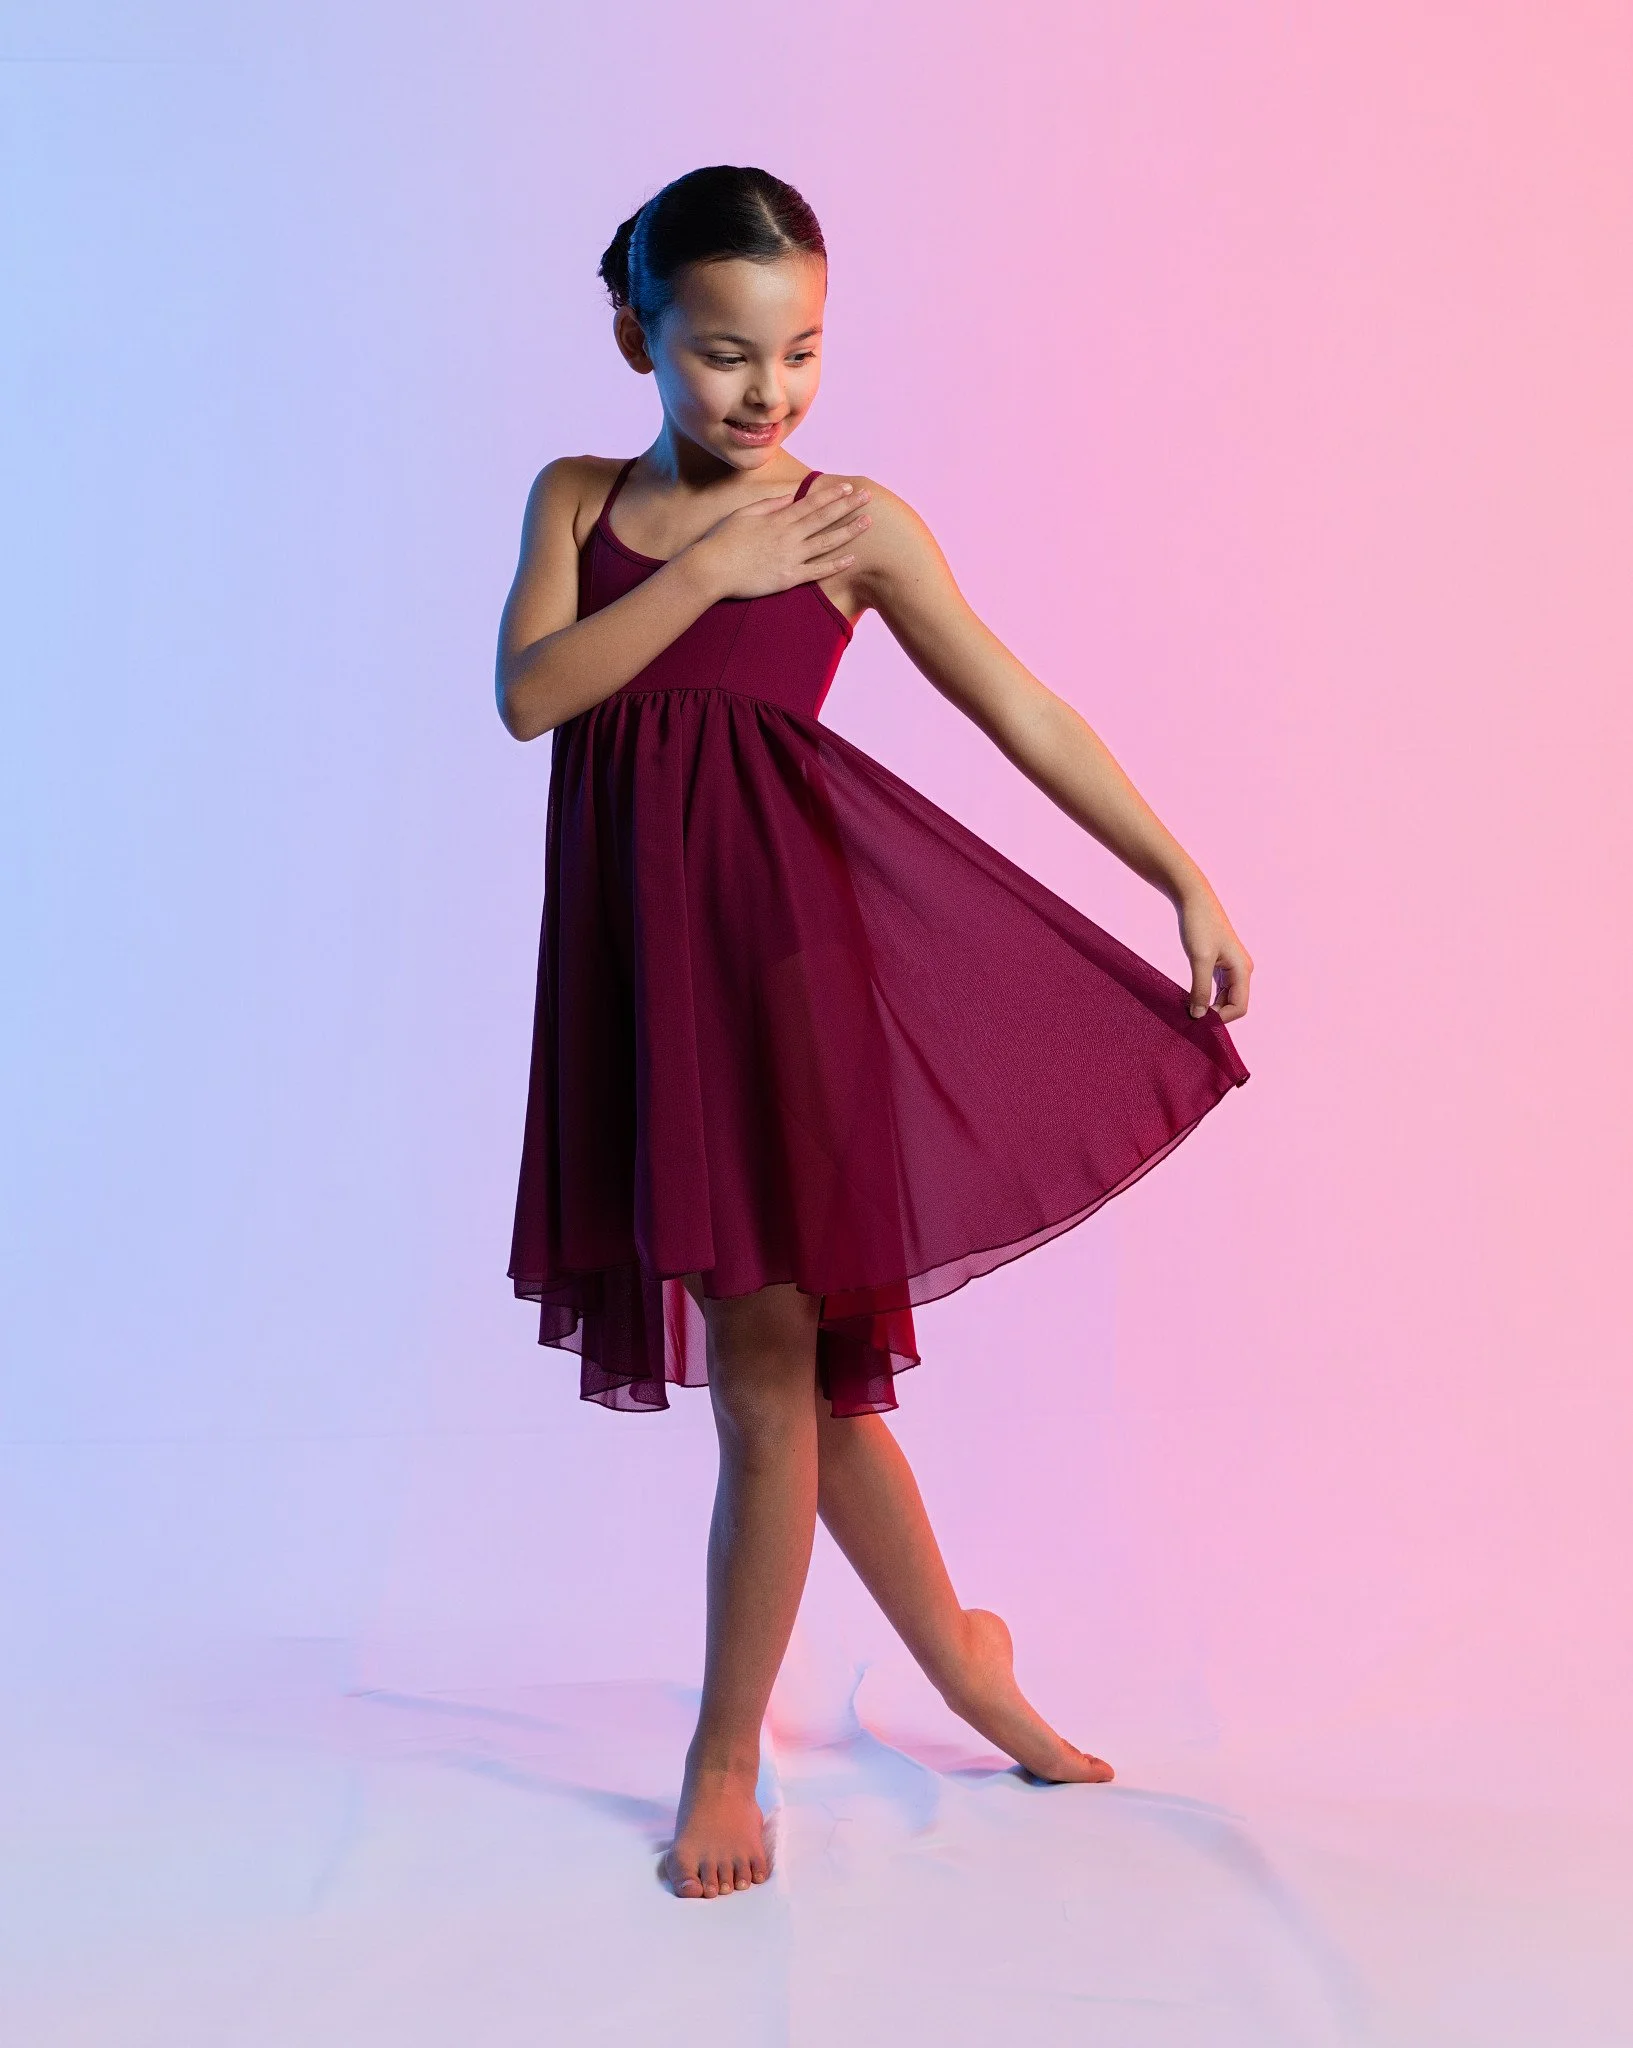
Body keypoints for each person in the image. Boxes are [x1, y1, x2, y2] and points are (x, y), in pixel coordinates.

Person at [495, 165, 1252, 1902]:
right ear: (637, 336)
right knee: (808, 1392)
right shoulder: (578, 498)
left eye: (802, 353)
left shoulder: (855, 526)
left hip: (782, 986)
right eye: (720, 356)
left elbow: (1023, 708)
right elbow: (533, 693)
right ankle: (970, 1667)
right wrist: (709, 571)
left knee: (768, 1391)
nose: (765, 396)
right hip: (638, 986)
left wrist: (1179, 877)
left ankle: (722, 1756)